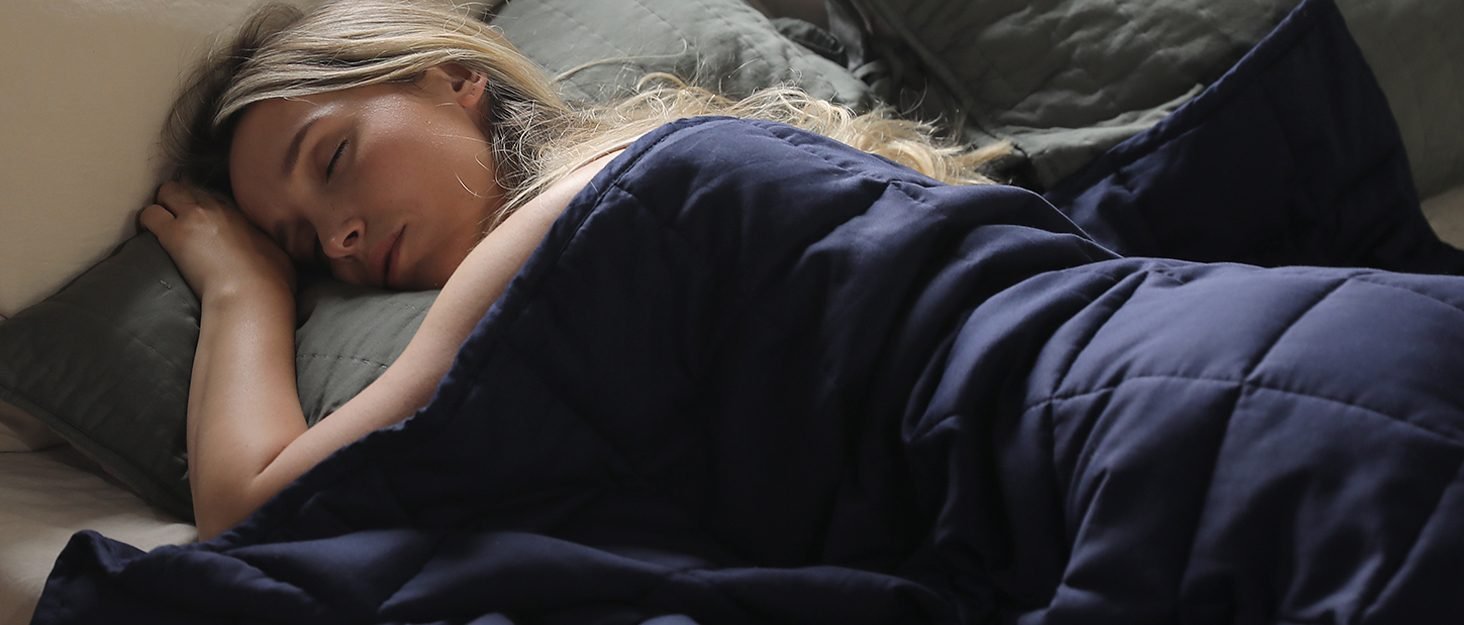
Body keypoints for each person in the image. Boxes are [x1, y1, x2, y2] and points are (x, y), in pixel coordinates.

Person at [140, 0, 1006, 540]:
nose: (338, 240)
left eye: (333, 159)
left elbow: (252, 508)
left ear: (454, 77)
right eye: (299, 245)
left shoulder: (572, 209)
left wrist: (243, 291)